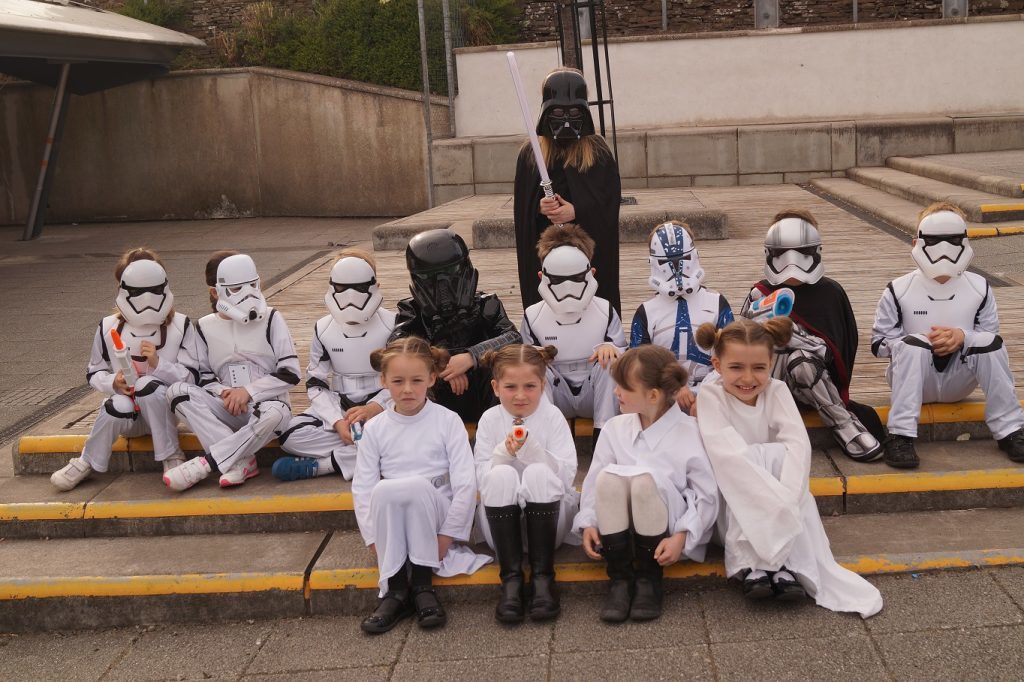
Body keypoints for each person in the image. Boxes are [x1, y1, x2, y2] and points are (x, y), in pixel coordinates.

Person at [695, 318, 883, 618]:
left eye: (759, 367)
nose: (748, 378)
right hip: (733, 496)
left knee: (779, 457)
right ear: (717, 365)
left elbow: (798, 445)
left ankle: (784, 564)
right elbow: (725, 454)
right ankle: (753, 564)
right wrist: (777, 500)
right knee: (755, 457)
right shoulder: (711, 396)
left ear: (772, 361)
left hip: (783, 494)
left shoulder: (778, 391)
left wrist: (788, 498)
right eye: (736, 367)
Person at [353, 336, 491, 634]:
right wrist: (374, 539)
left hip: (437, 513)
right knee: (385, 489)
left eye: (416, 380)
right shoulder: (375, 428)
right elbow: (363, 487)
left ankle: (422, 585)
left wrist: (447, 534)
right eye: (398, 380)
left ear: (431, 378)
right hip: (393, 512)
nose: (407, 389)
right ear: (383, 380)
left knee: (414, 487)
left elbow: (465, 483)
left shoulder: (447, 420)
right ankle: (397, 590)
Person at [872, 202, 1024, 468]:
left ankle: (1011, 430)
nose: (944, 248)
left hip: (959, 380)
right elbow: (879, 344)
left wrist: (962, 337)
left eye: (953, 239)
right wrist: (921, 342)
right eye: (934, 240)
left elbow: (991, 337)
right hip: (912, 380)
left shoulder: (979, 287)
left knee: (989, 344)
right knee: (913, 343)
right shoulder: (898, 289)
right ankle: (900, 435)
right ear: (916, 242)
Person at [574, 345, 719, 623]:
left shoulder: (690, 432)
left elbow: (706, 495)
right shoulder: (615, 429)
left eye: (624, 387)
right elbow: (593, 483)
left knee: (643, 481)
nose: (615, 392)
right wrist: (590, 522)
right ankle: (619, 578)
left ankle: (648, 580)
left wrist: (683, 536)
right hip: (619, 527)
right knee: (608, 477)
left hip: (665, 532)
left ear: (653, 395)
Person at [741, 209, 884, 462]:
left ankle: (845, 426)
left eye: (802, 252)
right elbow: (741, 348)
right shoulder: (759, 294)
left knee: (802, 360)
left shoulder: (831, 293)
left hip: (815, 382)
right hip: (767, 380)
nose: (792, 261)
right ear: (770, 253)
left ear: (815, 251)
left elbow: (834, 354)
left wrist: (790, 334)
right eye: (782, 252)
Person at [51, 248, 197, 490]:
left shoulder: (180, 325)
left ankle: (171, 454)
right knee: (114, 406)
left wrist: (159, 365)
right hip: (129, 416)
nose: (146, 298)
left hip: (165, 412)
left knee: (146, 385)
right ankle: (87, 460)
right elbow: (94, 372)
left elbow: (192, 376)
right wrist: (113, 383)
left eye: (152, 287)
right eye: (138, 290)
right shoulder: (109, 327)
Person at [163, 252, 299, 491]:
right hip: (227, 406)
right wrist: (226, 392)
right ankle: (241, 460)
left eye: (252, 285)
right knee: (177, 392)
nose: (247, 293)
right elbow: (204, 378)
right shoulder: (204, 326)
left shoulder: (272, 318)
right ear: (215, 292)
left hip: (267, 406)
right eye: (236, 288)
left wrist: (248, 391)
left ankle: (209, 462)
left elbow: (290, 373)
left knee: (277, 413)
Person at [474, 344, 580, 624]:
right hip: (501, 524)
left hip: (548, 523)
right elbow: (481, 478)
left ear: (543, 385)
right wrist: (504, 454)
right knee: (500, 474)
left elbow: (567, 475)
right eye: (510, 387)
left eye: (530, 386)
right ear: (496, 387)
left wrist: (534, 453)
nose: (520, 395)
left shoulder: (553, 417)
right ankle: (510, 578)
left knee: (538, 473)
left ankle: (543, 575)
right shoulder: (489, 420)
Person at [273, 249, 395, 481]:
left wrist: (375, 407)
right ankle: (370, 452)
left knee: (403, 429)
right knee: (290, 435)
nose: (350, 295)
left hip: (384, 404)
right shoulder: (323, 329)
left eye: (358, 286)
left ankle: (326, 465)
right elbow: (316, 383)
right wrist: (337, 421)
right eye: (342, 286)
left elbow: (403, 376)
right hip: (341, 405)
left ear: (374, 283)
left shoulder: (393, 324)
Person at [513, 67, 621, 313]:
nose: (566, 119)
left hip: (588, 253)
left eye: (573, 112)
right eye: (558, 112)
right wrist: (540, 207)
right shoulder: (531, 154)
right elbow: (523, 212)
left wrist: (578, 210)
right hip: (547, 255)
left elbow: (609, 202)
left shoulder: (597, 152)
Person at [389, 228, 521, 423]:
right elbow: (396, 347)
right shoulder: (412, 310)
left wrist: (471, 356)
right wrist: (442, 366)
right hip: (435, 392)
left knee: (503, 369)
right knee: (414, 376)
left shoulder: (486, 305)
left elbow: (513, 338)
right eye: (429, 277)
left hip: (482, 391)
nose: (442, 286)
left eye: (450, 273)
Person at [520, 224, 624, 446]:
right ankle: (543, 438)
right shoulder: (533, 315)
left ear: (591, 273)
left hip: (594, 390)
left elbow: (625, 356)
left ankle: (604, 438)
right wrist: (534, 357)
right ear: (542, 277)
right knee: (534, 370)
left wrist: (612, 349)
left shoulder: (604, 310)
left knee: (610, 364)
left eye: (577, 278)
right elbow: (523, 363)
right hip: (556, 393)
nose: (568, 287)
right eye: (557, 280)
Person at [631, 221, 733, 414]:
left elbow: (732, 355)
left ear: (694, 256)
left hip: (714, 392)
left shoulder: (717, 303)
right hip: (663, 397)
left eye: (683, 259)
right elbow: (639, 364)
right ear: (654, 263)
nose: (676, 269)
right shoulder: (645, 311)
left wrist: (706, 392)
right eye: (665, 262)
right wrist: (671, 388)